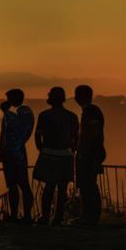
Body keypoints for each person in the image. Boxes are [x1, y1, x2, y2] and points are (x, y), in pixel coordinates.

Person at [33, 87, 79, 225]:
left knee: (49, 186)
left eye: (50, 94)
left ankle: (45, 216)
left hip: (49, 154)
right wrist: (72, 151)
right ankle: (58, 217)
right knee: (62, 188)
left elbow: (37, 135)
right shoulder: (72, 117)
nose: (47, 95)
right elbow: (76, 137)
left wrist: (42, 149)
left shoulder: (44, 115)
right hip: (65, 155)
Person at [0, 88, 35, 222]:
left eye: (9, 98)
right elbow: (4, 134)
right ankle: (15, 215)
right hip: (10, 153)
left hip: (17, 154)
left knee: (23, 184)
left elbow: (18, 128)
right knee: (13, 185)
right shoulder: (14, 113)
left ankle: (26, 215)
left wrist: (6, 112)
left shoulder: (24, 112)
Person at [74, 85, 105, 226]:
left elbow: (93, 135)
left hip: (90, 155)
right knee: (85, 185)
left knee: (89, 185)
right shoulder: (89, 112)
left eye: (77, 95)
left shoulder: (91, 112)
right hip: (88, 154)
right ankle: (87, 215)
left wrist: (85, 152)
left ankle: (91, 216)